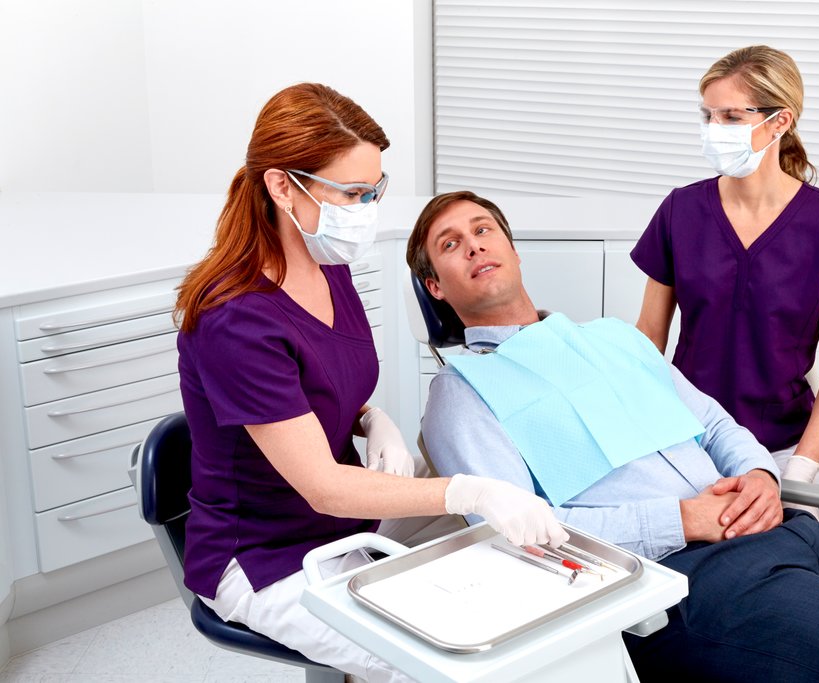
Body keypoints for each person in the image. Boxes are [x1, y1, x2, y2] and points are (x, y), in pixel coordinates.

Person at [408, 190, 819, 682]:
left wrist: (760, 475)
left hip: (790, 528)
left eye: (483, 228)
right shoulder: (462, 393)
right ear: (436, 286)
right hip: (695, 582)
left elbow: (713, 422)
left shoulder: (611, 338)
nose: (474, 245)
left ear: (512, 249)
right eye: (450, 244)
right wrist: (682, 521)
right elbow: (525, 537)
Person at [174, 84, 567, 682]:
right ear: (283, 186)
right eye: (352, 194)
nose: (365, 210)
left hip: (347, 521)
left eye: (373, 190)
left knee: (510, 574)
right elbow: (326, 488)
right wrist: (470, 492)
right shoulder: (237, 318)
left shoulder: (328, 268)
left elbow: (326, 385)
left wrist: (368, 417)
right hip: (266, 555)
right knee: (441, 664)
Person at [632, 45, 819, 498]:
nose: (713, 130)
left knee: (786, 551)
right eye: (708, 116)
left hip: (784, 446)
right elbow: (649, 335)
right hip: (687, 433)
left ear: (780, 121)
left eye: (730, 117)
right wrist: (640, 428)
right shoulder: (681, 211)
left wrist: (800, 471)